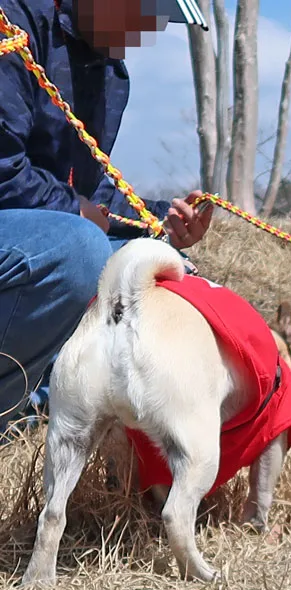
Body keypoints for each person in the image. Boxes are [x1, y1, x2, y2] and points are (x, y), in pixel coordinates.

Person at [0, 0, 214, 435]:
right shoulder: (13, 25)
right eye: (140, 13)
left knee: (157, 268)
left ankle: (56, 394)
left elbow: (91, 186)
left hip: (36, 234)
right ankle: (13, 406)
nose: (143, 32)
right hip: (26, 232)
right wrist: (73, 211)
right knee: (79, 250)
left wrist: (159, 224)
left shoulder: (107, 73)